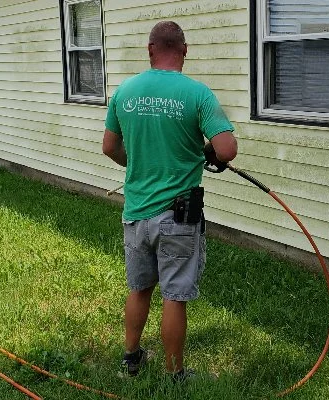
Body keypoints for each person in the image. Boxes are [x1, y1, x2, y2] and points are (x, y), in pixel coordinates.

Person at [101, 21, 238, 382]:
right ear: (184, 51)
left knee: (139, 288)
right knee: (174, 295)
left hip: (135, 214)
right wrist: (207, 150)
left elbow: (109, 147)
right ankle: (175, 375)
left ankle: (130, 360)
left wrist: (140, 162)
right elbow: (227, 149)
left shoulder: (125, 92)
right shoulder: (197, 94)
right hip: (178, 216)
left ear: (150, 51)